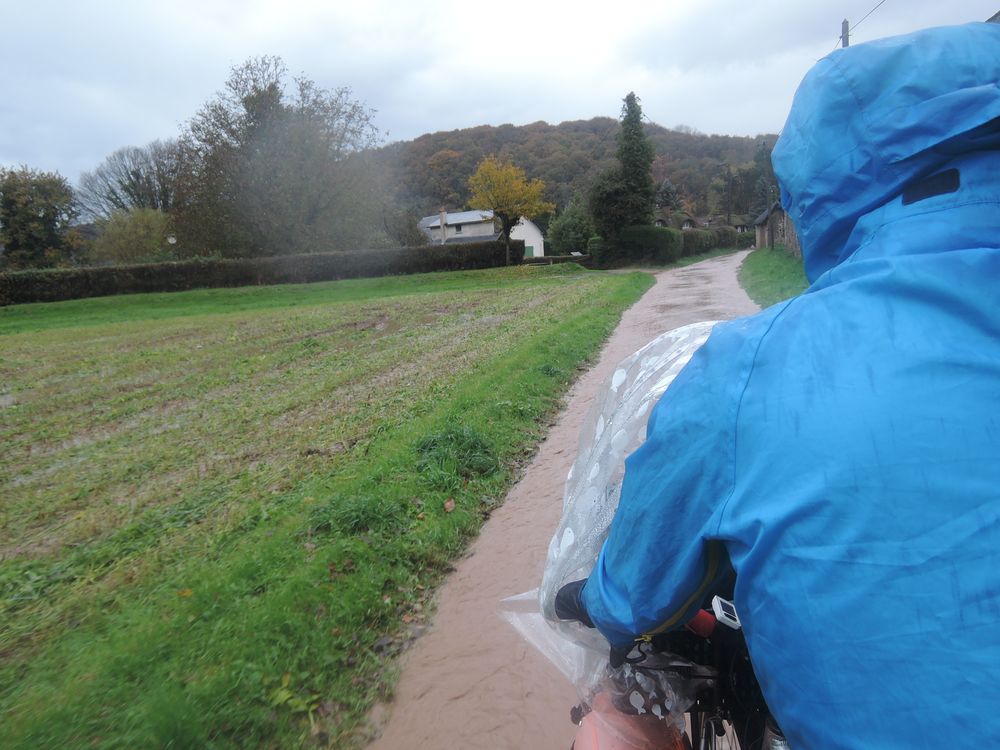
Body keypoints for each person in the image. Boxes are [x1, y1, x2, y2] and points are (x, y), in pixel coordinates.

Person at [556, 22, 1000, 749]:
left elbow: (633, 592)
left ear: (819, 185)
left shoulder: (745, 367)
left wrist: (594, 598)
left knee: (613, 719)